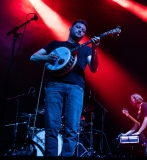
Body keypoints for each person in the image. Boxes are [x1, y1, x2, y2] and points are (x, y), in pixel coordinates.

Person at [30, 20, 100, 157]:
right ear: (70, 28)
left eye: (84, 30)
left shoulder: (86, 49)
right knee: (51, 127)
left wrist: (95, 48)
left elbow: (94, 68)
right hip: (54, 86)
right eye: (78, 27)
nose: (81, 31)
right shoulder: (56, 44)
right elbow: (33, 57)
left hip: (76, 89)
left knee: (72, 129)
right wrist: (47, 57)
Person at [121, 93, 147, 157]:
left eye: (132, 100)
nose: (131, 102)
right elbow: (135, 126)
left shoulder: (144, 105)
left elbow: (146, 120)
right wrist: (125, 134)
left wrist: (139, 132)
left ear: (136, 99)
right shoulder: (139, 111)